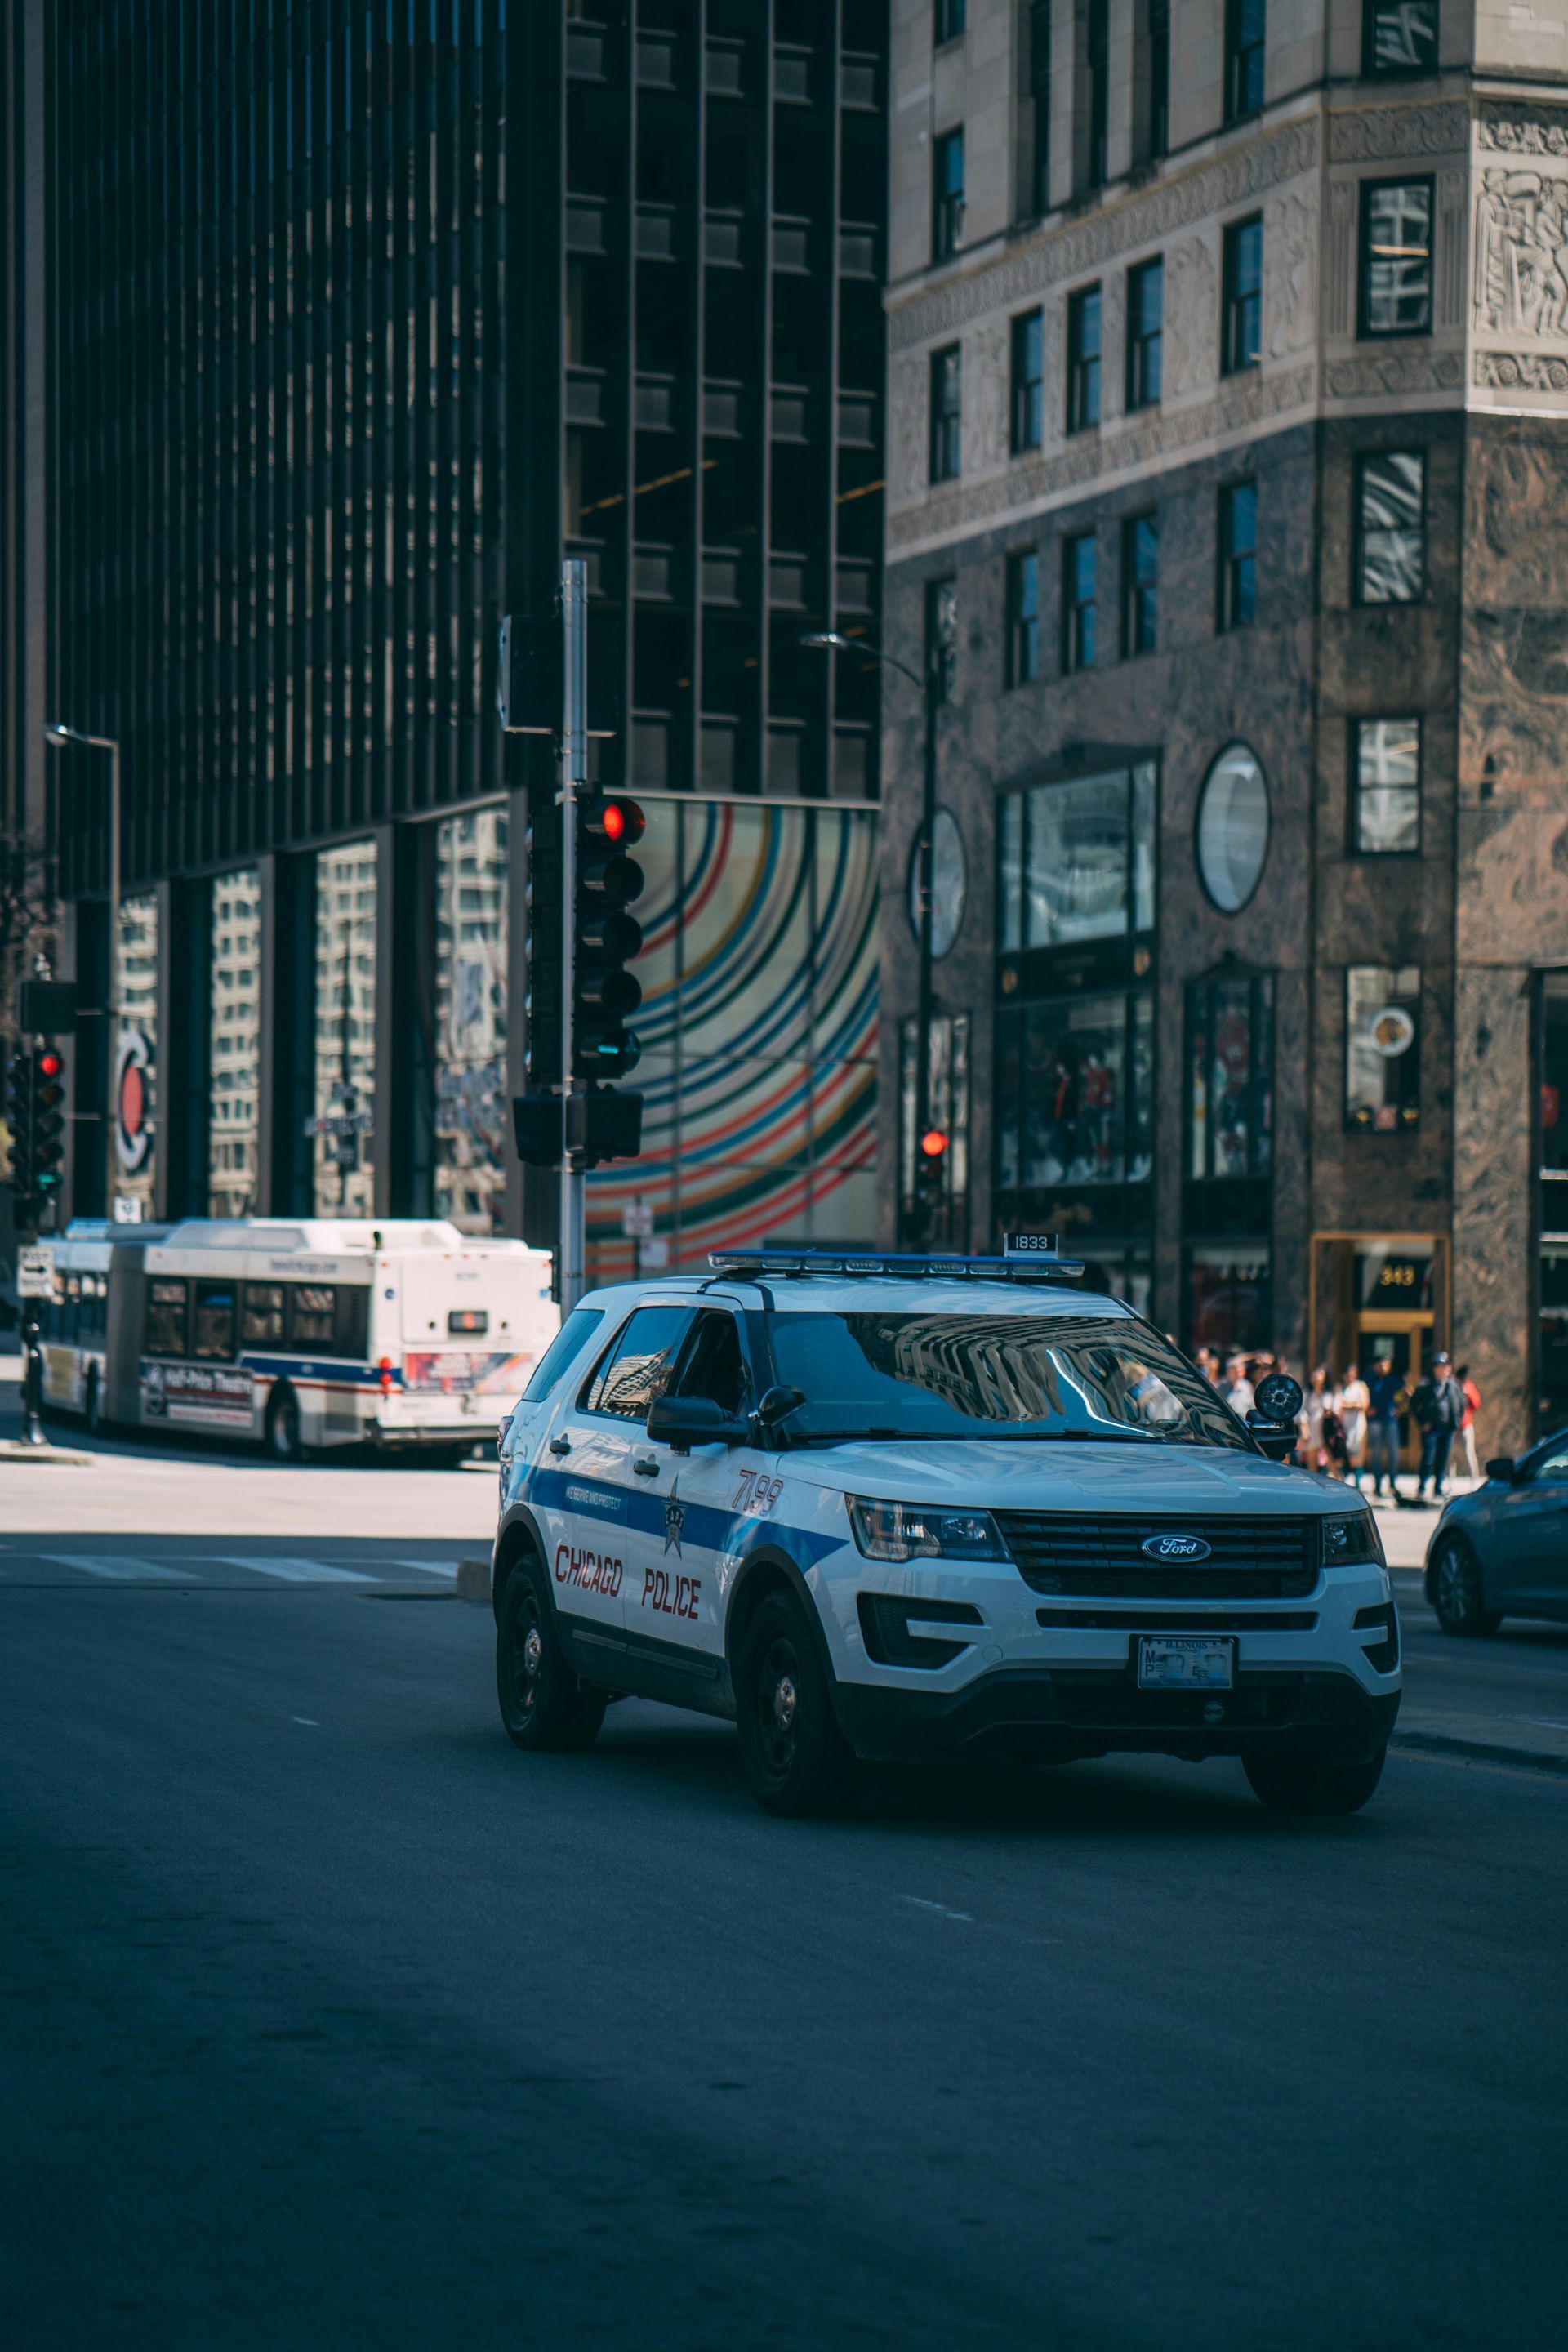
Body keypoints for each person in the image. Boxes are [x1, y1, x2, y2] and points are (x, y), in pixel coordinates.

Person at [1410, 1351, 1466, 1503]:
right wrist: (1422, 1422)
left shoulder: (1454, 1385)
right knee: (1428, 1458)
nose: (1444, 1370)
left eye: (1446, 1366)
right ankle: (1422, 1487)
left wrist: (1456, 1423)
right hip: (1431, 1429)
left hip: (1448, 1429)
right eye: (1440, 1366)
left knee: (1443, 1459)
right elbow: (1414, 1404)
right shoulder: (1425, 1384)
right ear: (1435, 1368)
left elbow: (1461, 1404)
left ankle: (1438, 1487)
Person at [1365, 1349, 1401, 1499]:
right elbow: (1362, 1396)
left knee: (1393, 1453)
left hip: (1390, 1420)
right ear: (1375, 1366)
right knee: (1377, 1454)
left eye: (1386, 1364)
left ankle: (1392, 1483)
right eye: (1381, 1364)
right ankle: (1378, 1484)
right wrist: (1367, 1408)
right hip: (1375, 1422)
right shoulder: (1368, 1380)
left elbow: (1406, 1394)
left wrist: (1400, 1409)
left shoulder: (1393, 1381)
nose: (1384, 1367)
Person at [1339, 1365, 1370, 1490]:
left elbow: (1364, 1404)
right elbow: (1339, 1404)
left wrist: (1349, 1406)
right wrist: (1353, 1405)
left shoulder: (1360, 1386)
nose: (1350, 1377)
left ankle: (1358, 1482)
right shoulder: (1340, 1388)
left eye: (1352, 1374)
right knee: (1344, 1452)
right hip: (1344, 1423)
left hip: (1358, 1424)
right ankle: (1343, 1480)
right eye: (1347, 1375)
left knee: (1358, 1453)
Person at [1458, 1363, 1482, 1481]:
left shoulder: (1468, 1386)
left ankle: (1474, 1479)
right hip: (1453, 1425)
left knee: (1469, 1452)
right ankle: (1448, 1482)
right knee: (1451, 1456)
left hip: (1466, 1423)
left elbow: (1476, 1404)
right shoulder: (1452, 1385)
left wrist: (1467, 1394)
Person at [1219, 1353, 1254, 1418]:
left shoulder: (1247, 1386)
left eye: (1237, 1369)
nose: (1236, 1372)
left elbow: (1252, 1407)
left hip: (1242, 1424)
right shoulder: (1221, 1387)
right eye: (1232, 1369)